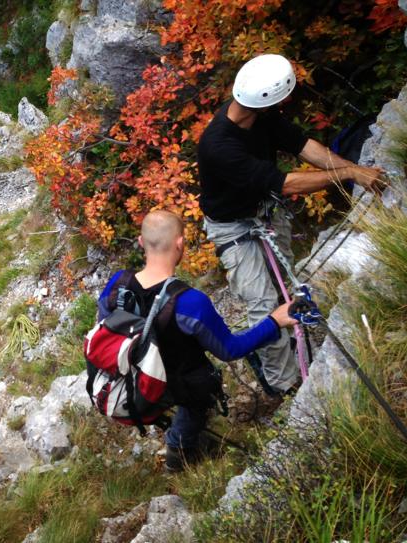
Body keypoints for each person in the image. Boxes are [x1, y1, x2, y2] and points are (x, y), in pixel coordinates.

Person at [197, 53, 385, 396]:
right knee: (263, 304)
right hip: (233, 229)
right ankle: (285, 385)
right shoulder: (218, 146)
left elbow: (303, 146)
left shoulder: (260, 116)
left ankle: (292, 346)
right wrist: (348, 173)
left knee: (284, 285)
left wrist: (352, 174)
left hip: (264, 212)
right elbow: (284, 183)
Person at [96, 210, 299, 472]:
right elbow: (229, 349)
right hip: (178, 383)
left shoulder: (117, 284)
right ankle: (179, 450)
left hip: (130, 377)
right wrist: (274, 321)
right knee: (199, 397)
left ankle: (179, 443)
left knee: (188, 388)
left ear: (140, 242)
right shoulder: (190, 302)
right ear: (180, 244)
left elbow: (105, 323)